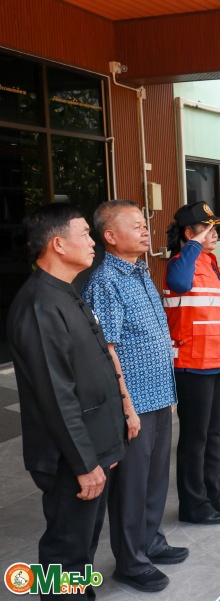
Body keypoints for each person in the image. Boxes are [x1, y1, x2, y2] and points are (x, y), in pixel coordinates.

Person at [7, 203, 126, 600]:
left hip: (92, 447)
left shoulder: (65, 292)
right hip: (70, 459)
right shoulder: (39, 304)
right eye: (85, 234)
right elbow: (56, 398)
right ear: (58, 244)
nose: (93, 242)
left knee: (82, 545)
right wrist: (85, 463)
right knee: (66, 551)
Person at [81, 200, 187, 593]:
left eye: (145, 224)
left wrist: (169, 391)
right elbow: (106, 349)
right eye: (137, 225)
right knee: (131, 487)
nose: (146, 231)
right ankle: (131, 561)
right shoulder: (105, 282)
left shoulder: (140, 271)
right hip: (134, 404)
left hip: (158, 395)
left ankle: (151, 541)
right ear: (110, 236)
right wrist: (125, 406)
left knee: (156, 479)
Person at [163, 201, 220, 525]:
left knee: (213, 434)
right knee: (195, 438)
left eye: (216, 228)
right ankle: (193, 505)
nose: (215, 234)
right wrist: (193, 247)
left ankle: (213, 494)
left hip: (218, 361)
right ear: (189, 233)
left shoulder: (212, 265)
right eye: (207, 228)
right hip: (192, 364)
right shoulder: (180, 263)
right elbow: (180, 285)